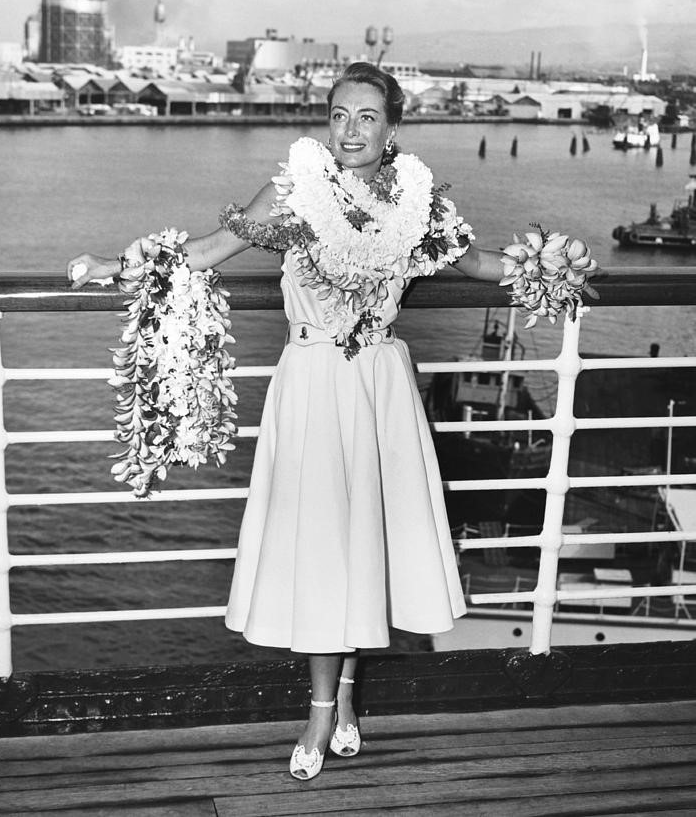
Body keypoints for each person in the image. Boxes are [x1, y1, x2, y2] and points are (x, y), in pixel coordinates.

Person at [68, 62, 507, 781]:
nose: (351, 131)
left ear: (393, 127)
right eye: (338, 115)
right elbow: (208, 251)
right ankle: (320, 709)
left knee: (362, 541)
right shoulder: (293, 190)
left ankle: (344, 701)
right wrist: (115, 261)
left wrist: (555, 269)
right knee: (320, 547)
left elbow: (479, 264)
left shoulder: (418, 204)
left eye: (367, 117)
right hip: (310, 382)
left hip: (378, 388)